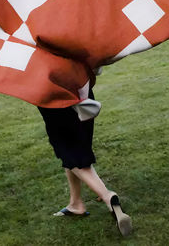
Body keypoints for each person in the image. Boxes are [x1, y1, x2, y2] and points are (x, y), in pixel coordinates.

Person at [38, 89, 132, 237]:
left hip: (56, 101)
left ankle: (107, 196)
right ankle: (76, 203)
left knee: (68, 153)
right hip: (83, 97)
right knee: (77, 152)